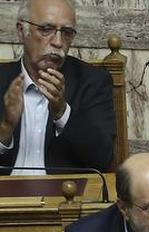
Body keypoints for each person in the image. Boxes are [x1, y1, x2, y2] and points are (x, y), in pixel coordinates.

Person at [0, 0, 115, 174]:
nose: (58, 42)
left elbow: (102, 160)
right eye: (46, 29)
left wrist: (62, 112)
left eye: (67, 32)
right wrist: (6, 128)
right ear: (21, 31)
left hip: (65, 196)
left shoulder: (92, 82)